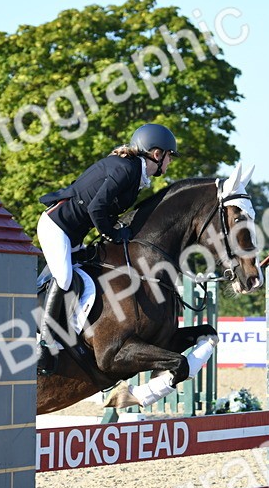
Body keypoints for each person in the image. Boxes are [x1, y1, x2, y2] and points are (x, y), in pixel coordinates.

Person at [34, 123, 178, 374]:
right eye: (169, 156)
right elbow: (96, 208)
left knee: (85, 274)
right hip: (56, 227)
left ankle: (74, 332)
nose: (170, 162)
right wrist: (112, 233)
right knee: (65, 276)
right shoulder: (126, 170)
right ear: (157, 154)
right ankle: (44, 343)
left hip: (73, 233)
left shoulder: (133, 172)